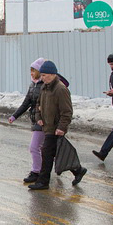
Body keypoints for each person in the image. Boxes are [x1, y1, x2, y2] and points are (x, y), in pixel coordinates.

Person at [29, 60, 86, 190]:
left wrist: (61, 127)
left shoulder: (60, 89)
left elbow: (67, 111)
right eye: (41, 75)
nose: (42, 77)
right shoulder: (44, 87)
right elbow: (38, 105)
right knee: (56, 153)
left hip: (55, 128)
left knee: (47, 154)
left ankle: (43, 182)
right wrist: (39, 118)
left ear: (53, 74)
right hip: (47, 126)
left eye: (44, 75)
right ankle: (78, 170)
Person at [9, 58, 47, 183]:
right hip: (36, 119)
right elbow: (26, 103)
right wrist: (14, 116)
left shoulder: (45, 85)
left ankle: (36, 171)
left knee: (34, 147)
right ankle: (74, 169)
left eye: (34, 70)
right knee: (45, 148)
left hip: (43, 121)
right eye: (31, 70)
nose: (31, 73)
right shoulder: (33, 85)